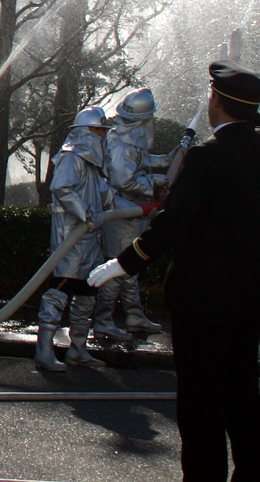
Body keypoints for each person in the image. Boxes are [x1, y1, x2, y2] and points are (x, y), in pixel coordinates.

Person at [90, 60, 260, 482]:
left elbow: (175, 223)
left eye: (211, 96)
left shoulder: (206, 157)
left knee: (200, 407)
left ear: (218, 102)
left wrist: (124, 262)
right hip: (246, 291)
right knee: (243, 398)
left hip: (202, 298)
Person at [35, 107, 112, 371]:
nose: (103, 135)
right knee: (60, 290)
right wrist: (85, 213)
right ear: (87, 131)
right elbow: (60, 187)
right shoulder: (72, 157)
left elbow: (104, 196)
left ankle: (78, 349)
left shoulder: (91, 164)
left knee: (87, 293)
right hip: (70, 238)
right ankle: (44, 349)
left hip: (90, 239)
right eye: (100, 129)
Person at [95, 87, 174, 340]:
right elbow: (124, 180)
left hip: (132, 213)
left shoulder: (130, 138)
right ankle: (103, 319)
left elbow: (142, 161)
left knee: (129, 267)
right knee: (118, 269)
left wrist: (169, 158)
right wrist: (157, 183)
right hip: (121, 213)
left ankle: (134, 314)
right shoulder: (120, 143)